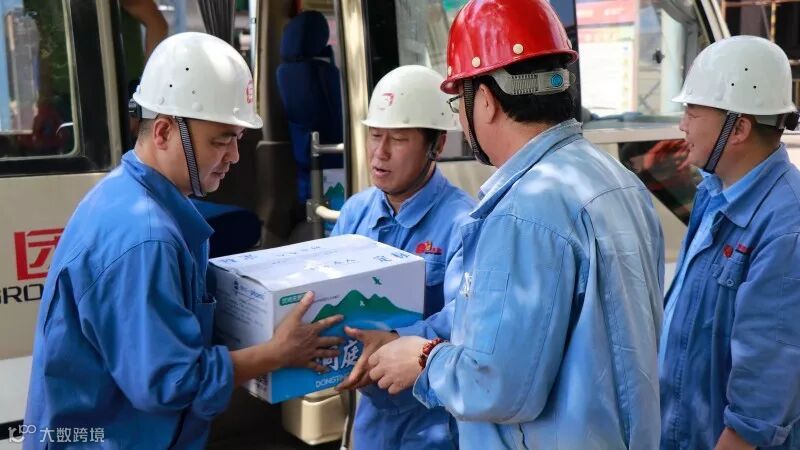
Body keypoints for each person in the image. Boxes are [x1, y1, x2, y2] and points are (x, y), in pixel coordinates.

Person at [362, 0, 666, 448]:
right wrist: (404, 339)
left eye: (458, 101)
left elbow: (496, 385)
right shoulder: (618, 181)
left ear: (485, 101)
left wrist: (425, 360)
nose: (461, 118)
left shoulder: (524, 211)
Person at [24, 32, 342, 449]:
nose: (234, 157)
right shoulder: (145, 239)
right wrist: (278, 352)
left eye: (237, 139)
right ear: (163, 132)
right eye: (220, 141)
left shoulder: (132, 197)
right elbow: (169, 384)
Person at [658, 35, 800, 450]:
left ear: (738, 128)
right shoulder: (713, 192)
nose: (682, 125)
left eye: (692, 111)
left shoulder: (787, 228)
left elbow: (760, 401)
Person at [331, 65, 475, 449]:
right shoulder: (356, 212)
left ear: (436, 145)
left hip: (433, 420)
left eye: (398, 139)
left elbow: (467, 317)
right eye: (375, 135)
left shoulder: (462, 223)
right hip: (370, 415)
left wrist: (397, 341)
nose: (380, 152)